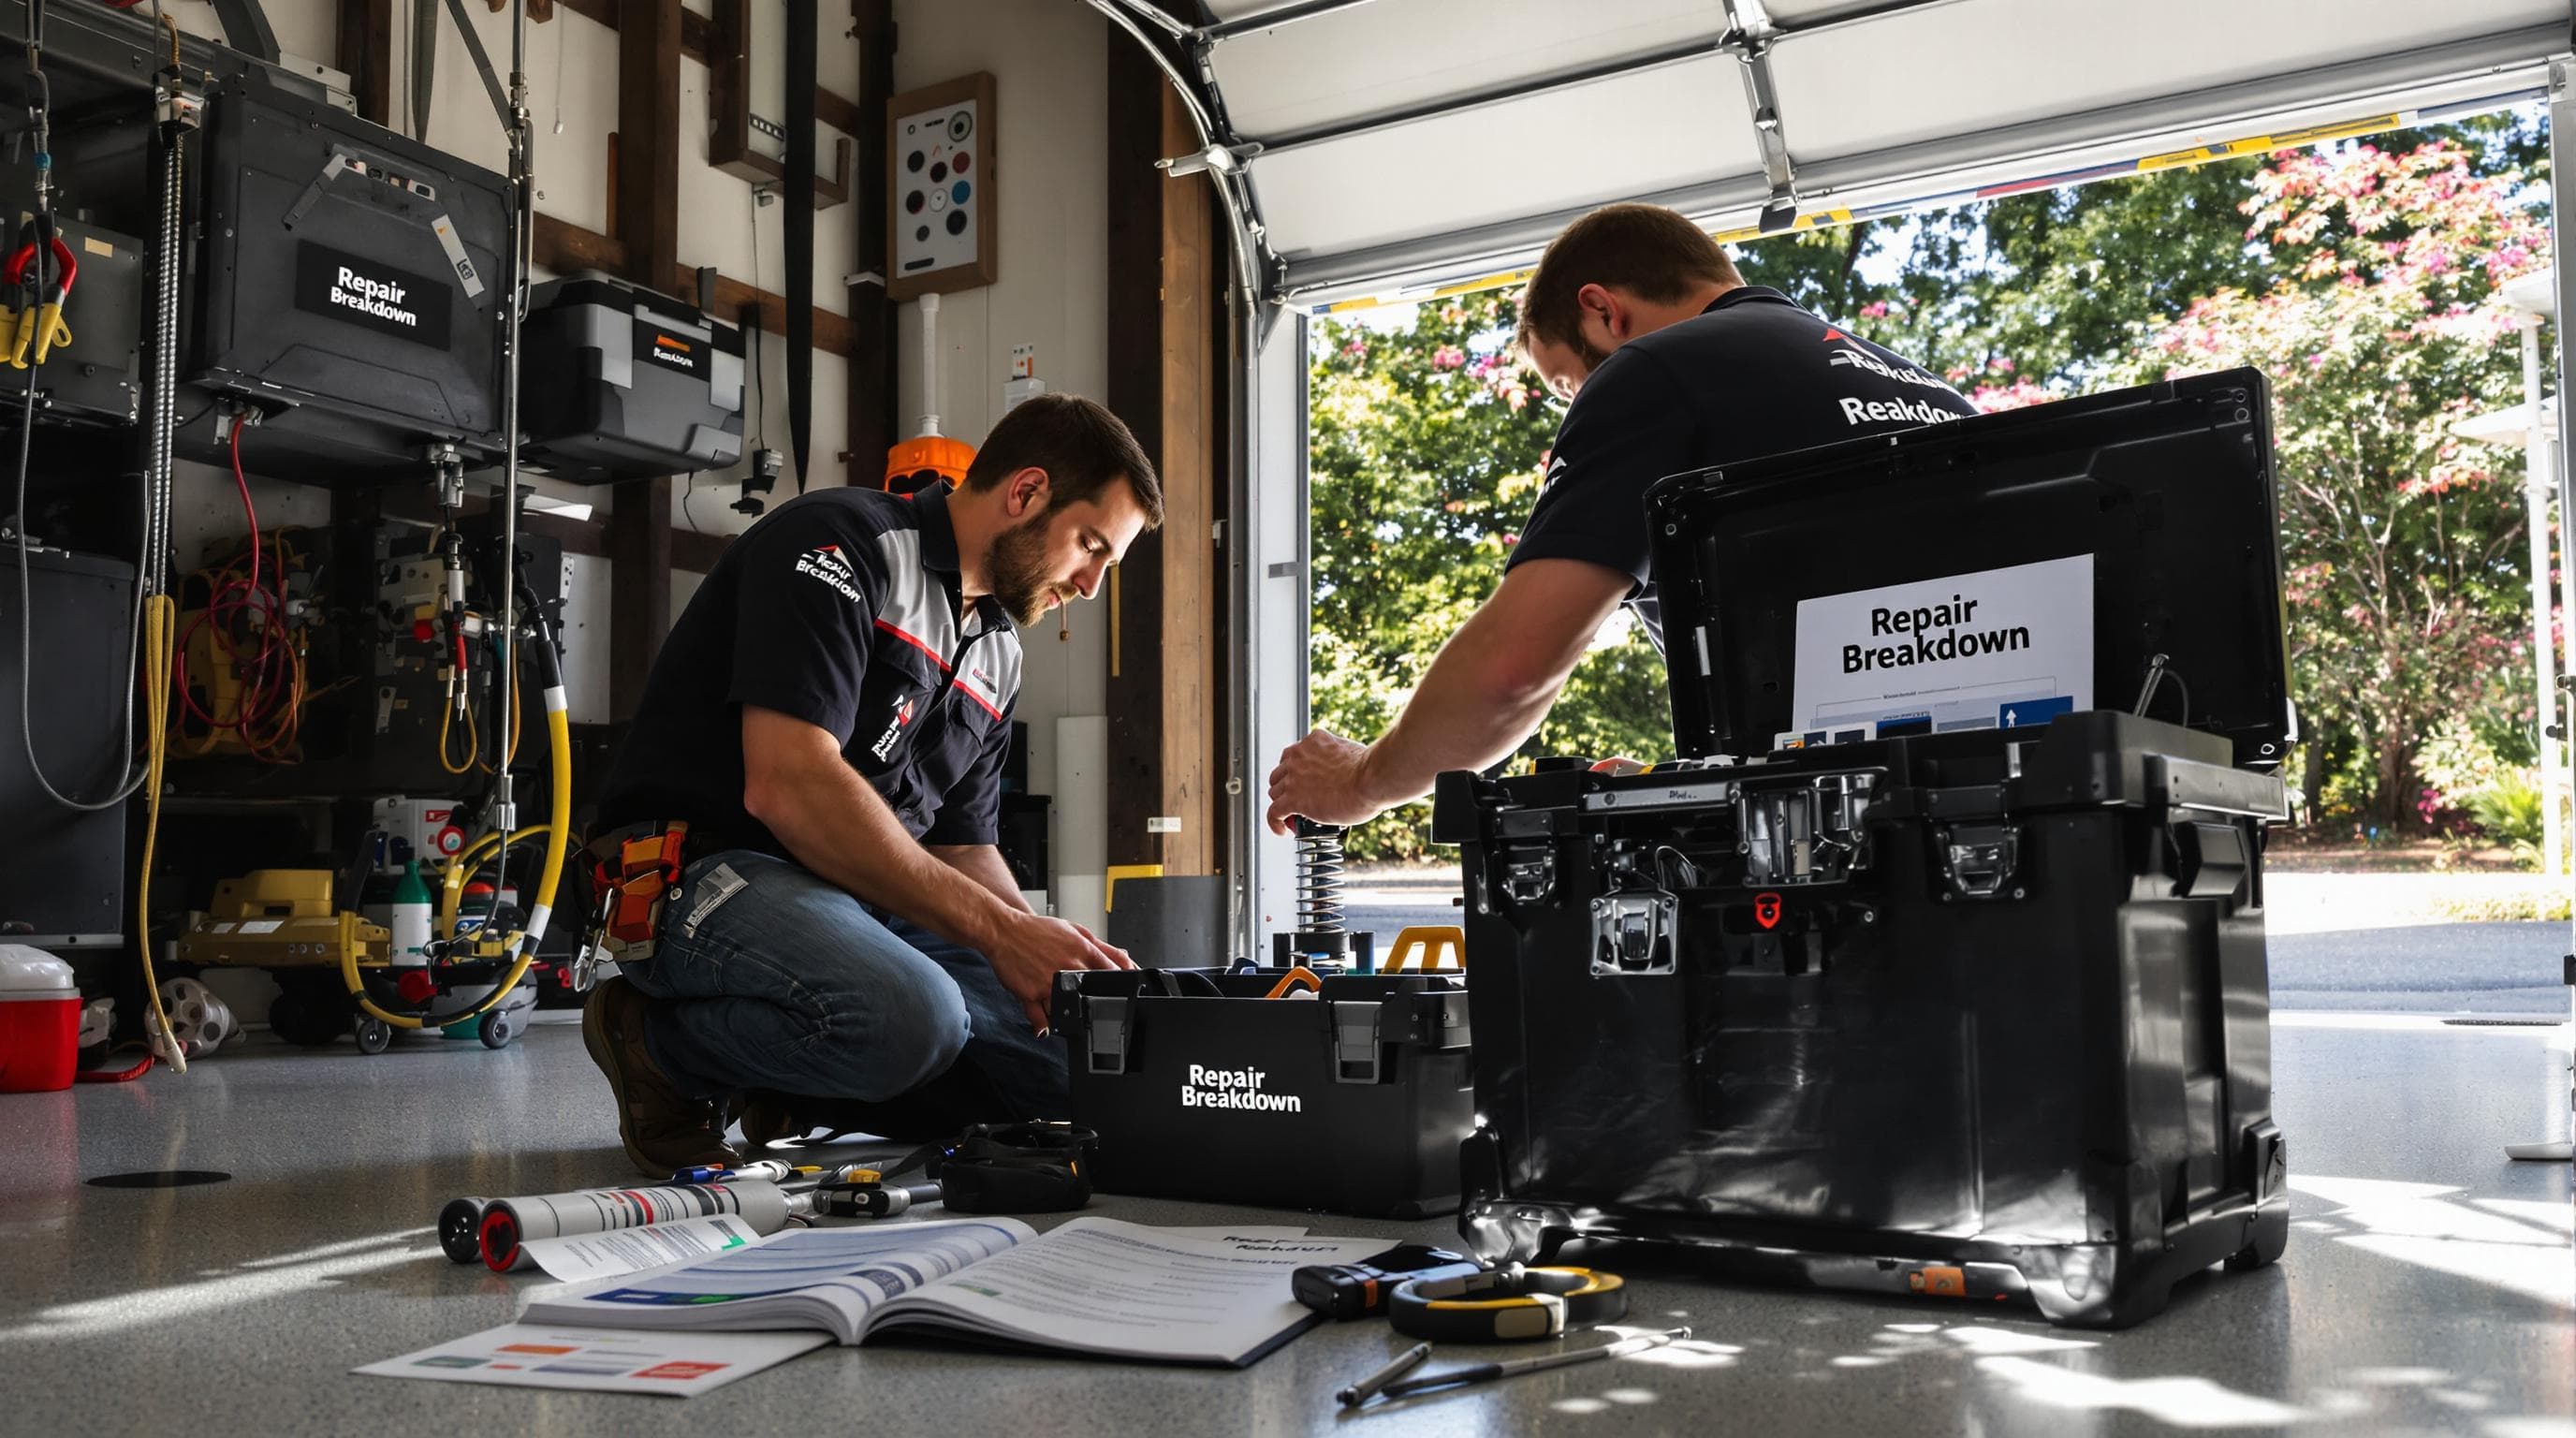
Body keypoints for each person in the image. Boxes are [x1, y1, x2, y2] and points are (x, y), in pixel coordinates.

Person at [584, 393, 1161, 1174]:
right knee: (909, 1019)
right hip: (703, 875)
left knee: (1063, 1076)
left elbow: (963, 845)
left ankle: (802, 1084)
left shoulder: (998, 650)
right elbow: (787, 785)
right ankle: (656, 1047)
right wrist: (999, 935)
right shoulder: (839, 543)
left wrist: (1045, 959)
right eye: (1090, 546)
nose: (1091, 585)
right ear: (1025, 494)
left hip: (849, 903)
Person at [1265, 202, 1977, 832]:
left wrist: (1363, 780)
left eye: (1570, 385)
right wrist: (1698, 781)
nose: (1579, 403)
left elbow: (1511, 673)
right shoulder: (1933, 395)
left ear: (1604, 312)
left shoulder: (1658, 368)